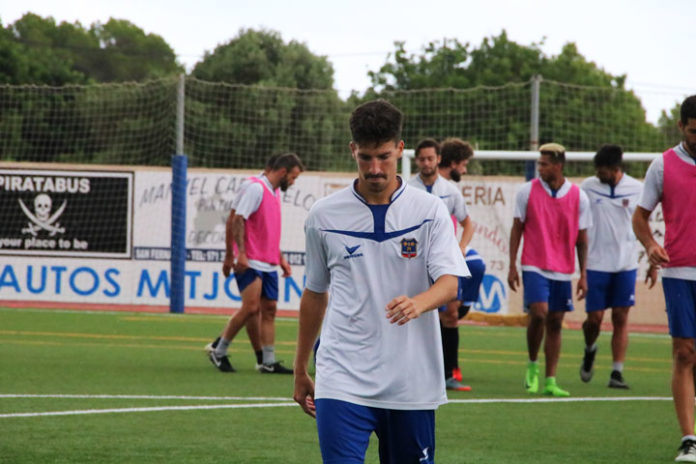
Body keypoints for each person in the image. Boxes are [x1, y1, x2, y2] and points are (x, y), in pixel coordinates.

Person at [293, 99, 469, 464]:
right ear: (353, 150)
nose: (375, 169)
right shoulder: (323, 216)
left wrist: (418, 302)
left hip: (411, 380)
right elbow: (315, 292)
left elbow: (449, 283)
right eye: (366, 158)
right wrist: (300, 368)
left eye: (384, 157)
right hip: (341, 375)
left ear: (400, 149)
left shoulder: (429, 211)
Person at [632, 95, 696, 463]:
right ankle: (689, 438)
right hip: (680, 270)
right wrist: (650, 244)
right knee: (685, 352)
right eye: (694, 130)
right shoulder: (663, 165)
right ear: (681, 126)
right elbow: (640, 217)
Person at [207, 152, 304, 374]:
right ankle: (218, 350)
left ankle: (267, 362)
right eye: (293, 177)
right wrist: (239, 254)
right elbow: (237, 219)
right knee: (251, 307)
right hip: (250, 260)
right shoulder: (255, 188)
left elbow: (266, 230)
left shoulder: (274, 191)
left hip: (268, 261)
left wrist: (280, 258)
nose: (293, 182)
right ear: (283, 172)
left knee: (269, 309)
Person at [507, 142, 591, 397]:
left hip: (563, 268)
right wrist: (512, 265)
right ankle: (532, 365)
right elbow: (517, 228)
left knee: (555, 322)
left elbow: (582, 239)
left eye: (544, 164)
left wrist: (583, 275)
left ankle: (550, 380)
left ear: (558, 165)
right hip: (534, 263)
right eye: (539, 163)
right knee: (539, 313)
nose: (540, 168)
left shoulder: (579, 196)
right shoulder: (527, 192)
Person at [579, 144, 656, 389]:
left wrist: (653, 262)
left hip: (625, 264)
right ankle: (590, 348)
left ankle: (616, 372)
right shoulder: (588, 187)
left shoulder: (636, 189)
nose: (598, 174)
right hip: (596, 264)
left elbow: (644, 225)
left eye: (602, 170)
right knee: (594, 320)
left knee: (621, 317)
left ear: (615, 169)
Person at [438, 138, 487, 385]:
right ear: (454, 162)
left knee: (476, 265)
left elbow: (467, 223)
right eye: (464, 164)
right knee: (442, 314)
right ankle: (445, 369)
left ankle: (449, 370)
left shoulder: (451, 191)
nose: (465, 170)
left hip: (447, 255)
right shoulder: (421, 188)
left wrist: (461, 247)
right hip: (425, 257)